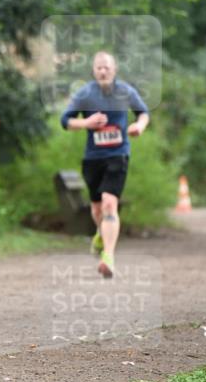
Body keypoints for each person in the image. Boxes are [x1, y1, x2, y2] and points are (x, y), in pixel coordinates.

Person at [60, 51, 149, 278]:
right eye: (98, 67)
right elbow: (65, 120)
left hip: (118, 155)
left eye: (106, 67)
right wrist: (86, 122)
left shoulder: (125, 91)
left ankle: (108, 256)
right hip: (92, 158)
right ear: (93, 70)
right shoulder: (85, 93)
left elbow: (143, 113)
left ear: (114, 69)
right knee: (97, 208)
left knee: (110, 203)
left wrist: (139, 126)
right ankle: (100, 233)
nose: (102, 71)